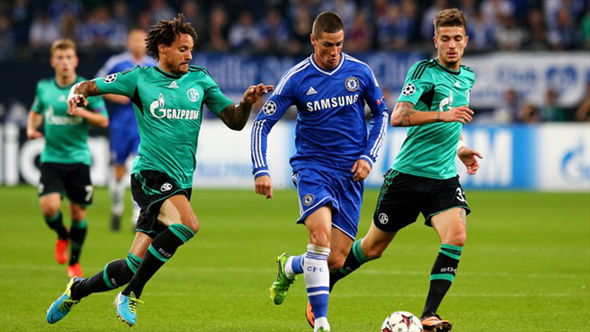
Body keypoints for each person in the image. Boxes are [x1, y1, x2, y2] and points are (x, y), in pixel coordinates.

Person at [45, 14, 273, 327]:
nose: (189, 55)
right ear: (163, 49)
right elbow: (90, 85)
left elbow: (233, 121)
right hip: (150, 175)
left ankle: (77, 289)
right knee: (189, 225)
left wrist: (246, 102)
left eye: (191, 49)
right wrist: (77, 93)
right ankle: (131, 294)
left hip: (180, 181)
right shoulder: (139, 79)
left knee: (130, 264)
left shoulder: (200, 80)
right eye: (182, 49)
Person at [321, 8, 483, 332]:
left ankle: (429, 315)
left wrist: (461, 148)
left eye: (457, 39)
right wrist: (445, 115)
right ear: (435, 40)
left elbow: (452, 126)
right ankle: (325, 281)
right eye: (445, 39)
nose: (451, 45)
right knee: (372, 248)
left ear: (466, 41)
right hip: (407, 176)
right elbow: (400, 116)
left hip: (442, 177)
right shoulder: (423, 72)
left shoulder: (467, 76)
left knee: (457, 236)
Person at [251, 11, 388, 332]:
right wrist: (261, 169)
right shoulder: (296, 78)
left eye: (339, 44)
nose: (333, 52)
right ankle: (321, 322)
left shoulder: (360, 72)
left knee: (336, 260)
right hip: (313, 168)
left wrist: (369, 156)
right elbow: (262, 124)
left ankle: (290, 266)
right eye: (327, 45)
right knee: (320, 237)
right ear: (314, 40)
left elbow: (382, 114)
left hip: (350, 174)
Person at [26, 39, 108, 278]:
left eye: (69, 57)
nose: (64, 62)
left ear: (76, 60)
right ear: (53, 61)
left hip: (79, 160)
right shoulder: (44, 87)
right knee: (49, 208)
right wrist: (31, 128)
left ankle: (74, 262)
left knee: (78, 215)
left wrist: (81, 110)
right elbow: (36, 110)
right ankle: (62, 235)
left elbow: (103, 121)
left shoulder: (86, 88)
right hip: (51, 158)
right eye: (60, 58)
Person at [95, 28, 156, 231]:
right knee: (119, 169)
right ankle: (116, 206)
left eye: (141, 40)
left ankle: (136, 214)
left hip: (143, 126)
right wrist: (116, 95)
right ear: (128, 43)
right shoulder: (116, 62)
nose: (138, 44)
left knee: (137, 168)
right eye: (134, 40)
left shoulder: (153, 65)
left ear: (146, 43)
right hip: (120, 124)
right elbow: (97, 84)